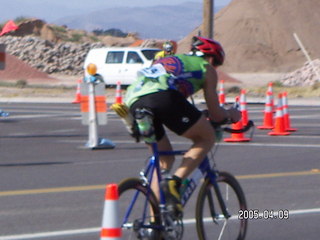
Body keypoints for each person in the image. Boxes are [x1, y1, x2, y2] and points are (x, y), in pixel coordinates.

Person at [124, 36, 241, 215]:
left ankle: (156, 224)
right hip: (163, 96)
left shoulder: (171, 59)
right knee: (206, 137)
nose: (215, 68)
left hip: (133, 101)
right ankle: (175, 182)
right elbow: (216, 113)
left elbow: (176, 103)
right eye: (216, 64)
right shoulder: (206, 67)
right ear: (211, 59)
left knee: (163, 160)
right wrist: (231, 114)